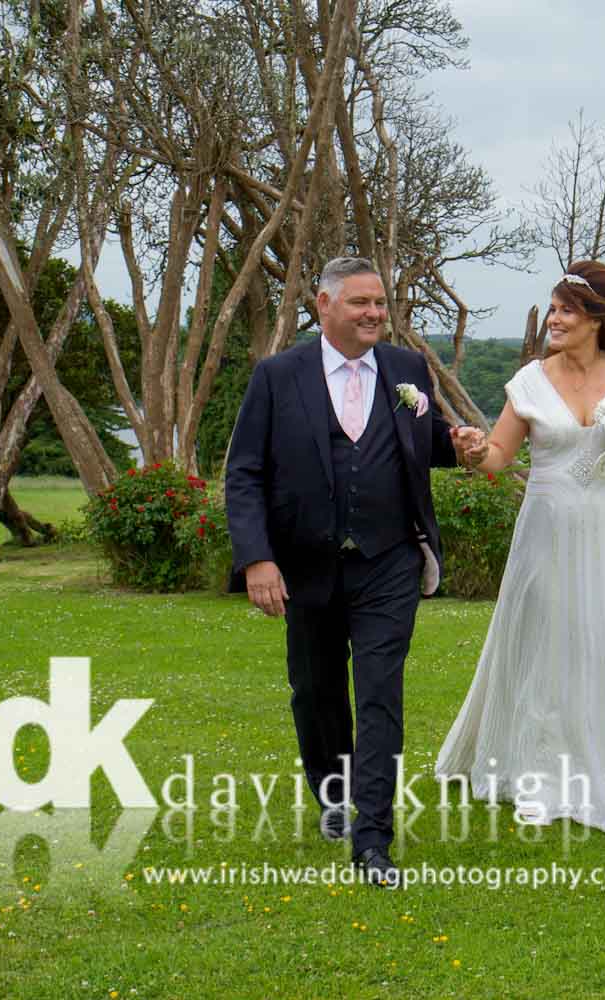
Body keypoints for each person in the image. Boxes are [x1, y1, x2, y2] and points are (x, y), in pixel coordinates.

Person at [225, 257, 481, 885]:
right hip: (305, 565)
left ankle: (372, 838)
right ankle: (333, 796)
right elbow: (246, 473)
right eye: (361, 302)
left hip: (388, 560)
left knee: (379, 694)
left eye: (380, 304)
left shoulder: (405, 370)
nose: (374, 314)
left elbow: (421, 442)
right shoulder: (278, 376)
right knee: (315, 694)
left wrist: (457, 444)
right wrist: (258, 558)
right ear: (324, 304)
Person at [435, 260, 605, 844]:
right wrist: (473, 449)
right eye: (553, 308)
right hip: (549, 536)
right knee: (549, 656)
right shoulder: (531, 380)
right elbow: (498, 460)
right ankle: (542, 783)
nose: (554, 319)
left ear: (597, 318)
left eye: (567, 310)